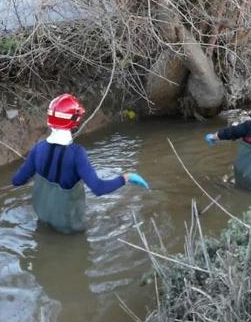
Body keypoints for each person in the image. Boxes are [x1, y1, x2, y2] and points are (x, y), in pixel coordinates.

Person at [12, 93, 149, 234]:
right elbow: (99, 189)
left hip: (43, 220)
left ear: (50, 119)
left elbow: (16, 181)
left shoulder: (38, 148)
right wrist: (126, 178)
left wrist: (35, 175)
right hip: (69, 228)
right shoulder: (77, 154)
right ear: (75, 121)